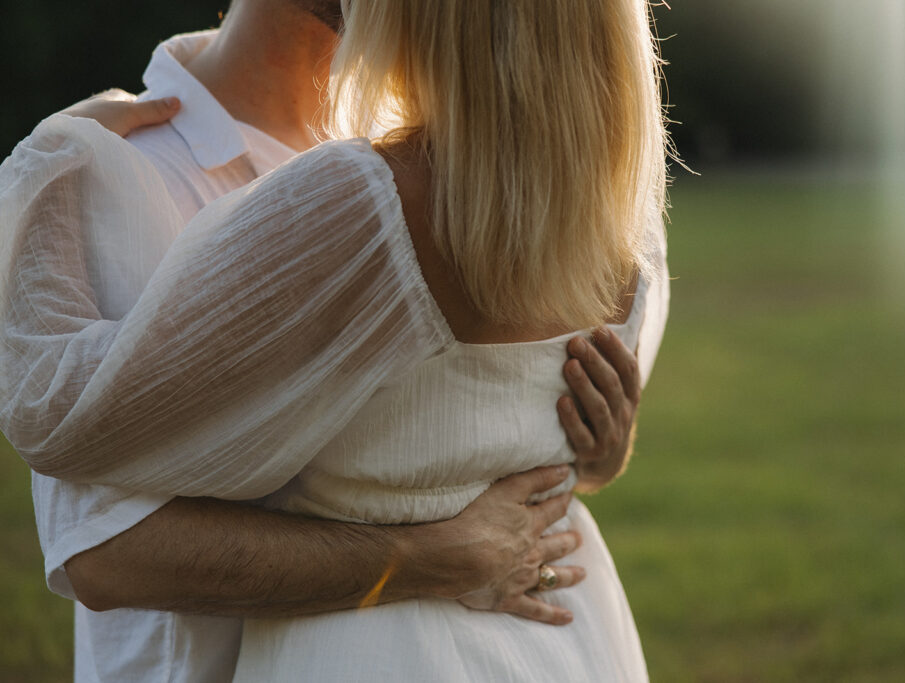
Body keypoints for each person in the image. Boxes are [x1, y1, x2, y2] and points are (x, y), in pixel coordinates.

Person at [0, 0, 669, 679]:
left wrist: (590, 452)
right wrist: (429, 559)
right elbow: (101, 550)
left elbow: (514, 446)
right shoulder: (120, 172)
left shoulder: (428, 178)